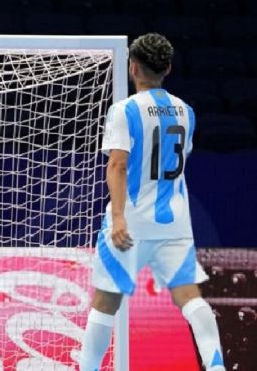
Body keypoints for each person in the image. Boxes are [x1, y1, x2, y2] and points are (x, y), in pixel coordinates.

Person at [78, 33, 225, 371]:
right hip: (175, 221)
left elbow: (116, 165)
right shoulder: (186, 112)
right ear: (168, 68)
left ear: (133, 67)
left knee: (105, 303)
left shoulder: (125, 110)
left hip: (132, 221)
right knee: (190, 297)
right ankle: (216, 367)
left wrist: (117, 218)